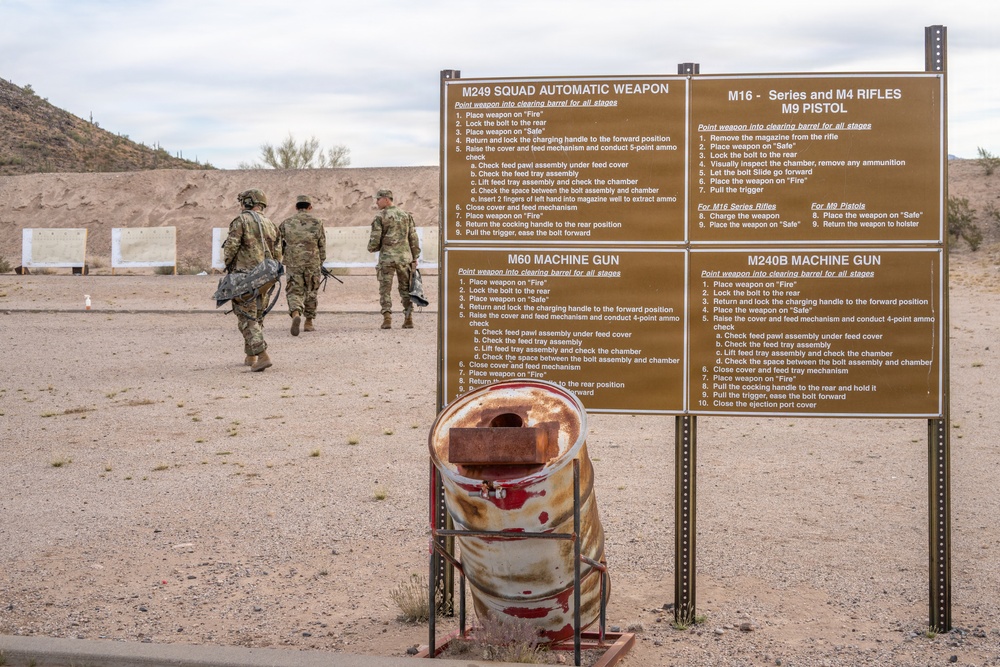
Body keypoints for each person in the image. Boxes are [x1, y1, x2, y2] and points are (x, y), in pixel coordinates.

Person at [221, 188, 282, 371]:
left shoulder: (241, 221)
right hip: (266, 278)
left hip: (244, 278)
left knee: (246, 318)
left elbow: (230, 248)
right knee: (257, 316)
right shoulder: (271, 224)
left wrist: (228, 268)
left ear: (248, 202)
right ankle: (251, 356)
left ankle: (262, 355)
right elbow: (278, 254)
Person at [367, 188, 420, 329]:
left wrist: (372, 248)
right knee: (405, 289)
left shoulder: (380, 216)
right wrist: (415, 257)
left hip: (387, 258)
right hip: (404, 258)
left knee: (385, 289)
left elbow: (375, 238)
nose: (376, 202)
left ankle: (387, 318)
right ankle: (408, 318)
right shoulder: (405, 215)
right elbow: (413, 238)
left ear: (386, 199)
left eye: (378, 199)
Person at [279, 195, 326, 335]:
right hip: (312, 262)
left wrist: (282, 258)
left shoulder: (286, 223)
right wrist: (321, 261)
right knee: (311, 291)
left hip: (293, 263)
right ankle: (309, 322)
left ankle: (296, 313)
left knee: (294, 291)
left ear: (296, 207)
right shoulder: (317, 223)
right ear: (309, 207)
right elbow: (322, 244)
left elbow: (279, 245)